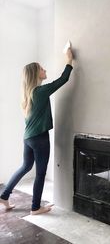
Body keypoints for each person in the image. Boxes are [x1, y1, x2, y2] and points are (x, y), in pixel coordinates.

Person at [0, 47, 74, 215]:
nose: (45, 70)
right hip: (39, 138)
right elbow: (63, 79)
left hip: (28, 138)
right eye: (42, 68)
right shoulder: (39, 92)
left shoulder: (29, 93)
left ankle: (4, 196)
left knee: (25, 166)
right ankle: (35, 207)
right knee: (40, 172)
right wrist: (69, 60)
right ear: (35, 74)